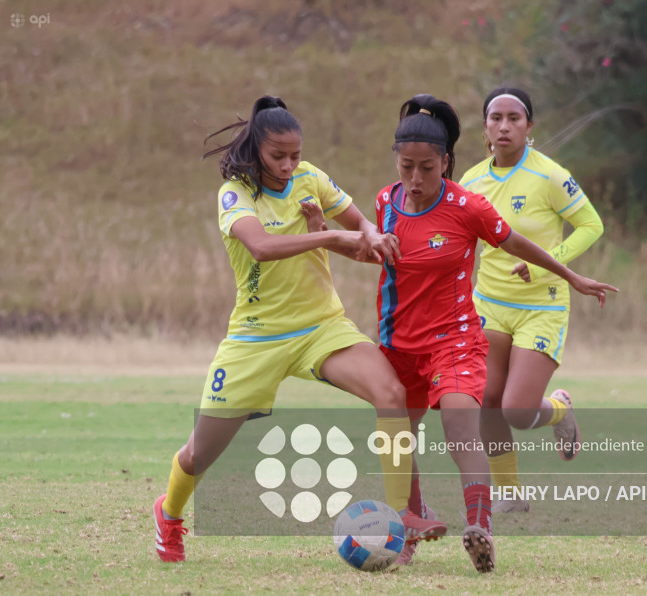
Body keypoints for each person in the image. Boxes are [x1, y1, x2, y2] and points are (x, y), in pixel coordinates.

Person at [151, 95, 447, 564]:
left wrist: (372, 237)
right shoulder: (235, 192)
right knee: (197, 456)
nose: (290, 165)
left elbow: (359, 228)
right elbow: (263, 247)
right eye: (278, 157)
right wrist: (329, 234)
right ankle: (168, 514)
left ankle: (401, 516)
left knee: (392, 394)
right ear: (255, 149)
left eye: (295, 154)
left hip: (322, 327)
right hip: (256, 339)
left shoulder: (311, 178)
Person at [370, 94, 617, 572]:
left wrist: (569, 274)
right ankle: (413, 525)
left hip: (480, 328)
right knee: (399, 436)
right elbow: (373, 249)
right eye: (406, 167)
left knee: (481, 416)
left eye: (427, 167)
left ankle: (480, 525)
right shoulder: (387, 200)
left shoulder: (477, 200)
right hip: (412, 338)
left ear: (445, 162)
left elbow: (527, 238)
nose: (416, 179)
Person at [459, 87, 609, 513]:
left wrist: (546, 264)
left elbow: (590, 225)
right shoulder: (471, 181)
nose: (504, 126)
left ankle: (559, 410)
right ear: (485, 127)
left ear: (529, 127)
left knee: (518, 411)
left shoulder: (550, 175)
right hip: (488, 303)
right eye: (495, 118)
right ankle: (509, 494)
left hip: (541, 305)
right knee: (486, 397)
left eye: (514, 118)